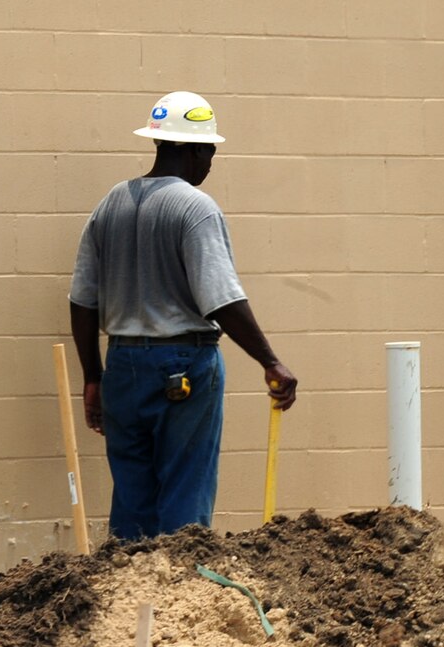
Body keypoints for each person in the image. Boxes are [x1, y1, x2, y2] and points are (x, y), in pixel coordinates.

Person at [68, 91, 297, 540]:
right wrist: (269, 360)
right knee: (184, 498)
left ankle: (130, 598)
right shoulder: (195, 208)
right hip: (182, 368)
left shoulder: (110, 204)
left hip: (122, 368)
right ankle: (181, 596)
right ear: (197, 150)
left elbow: (81, 300)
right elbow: (221, 300)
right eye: (209, 151)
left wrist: (93, 376)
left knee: (133, 500)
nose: (210, 162)